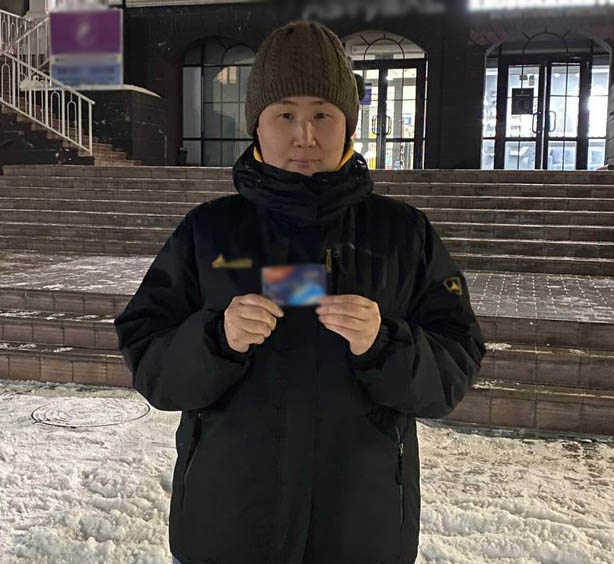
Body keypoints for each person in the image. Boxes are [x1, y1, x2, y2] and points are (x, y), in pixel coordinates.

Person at [114, 20, 486, 564]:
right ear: (257, 126)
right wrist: (216, 339)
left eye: (322, 115)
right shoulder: (209, 232)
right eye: (285, 115)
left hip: (362, 536)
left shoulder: (403, 235)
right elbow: (149, 355)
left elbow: (456, 361)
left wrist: (386, 345)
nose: (304, 136)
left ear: (349, 125)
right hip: (227, 532)